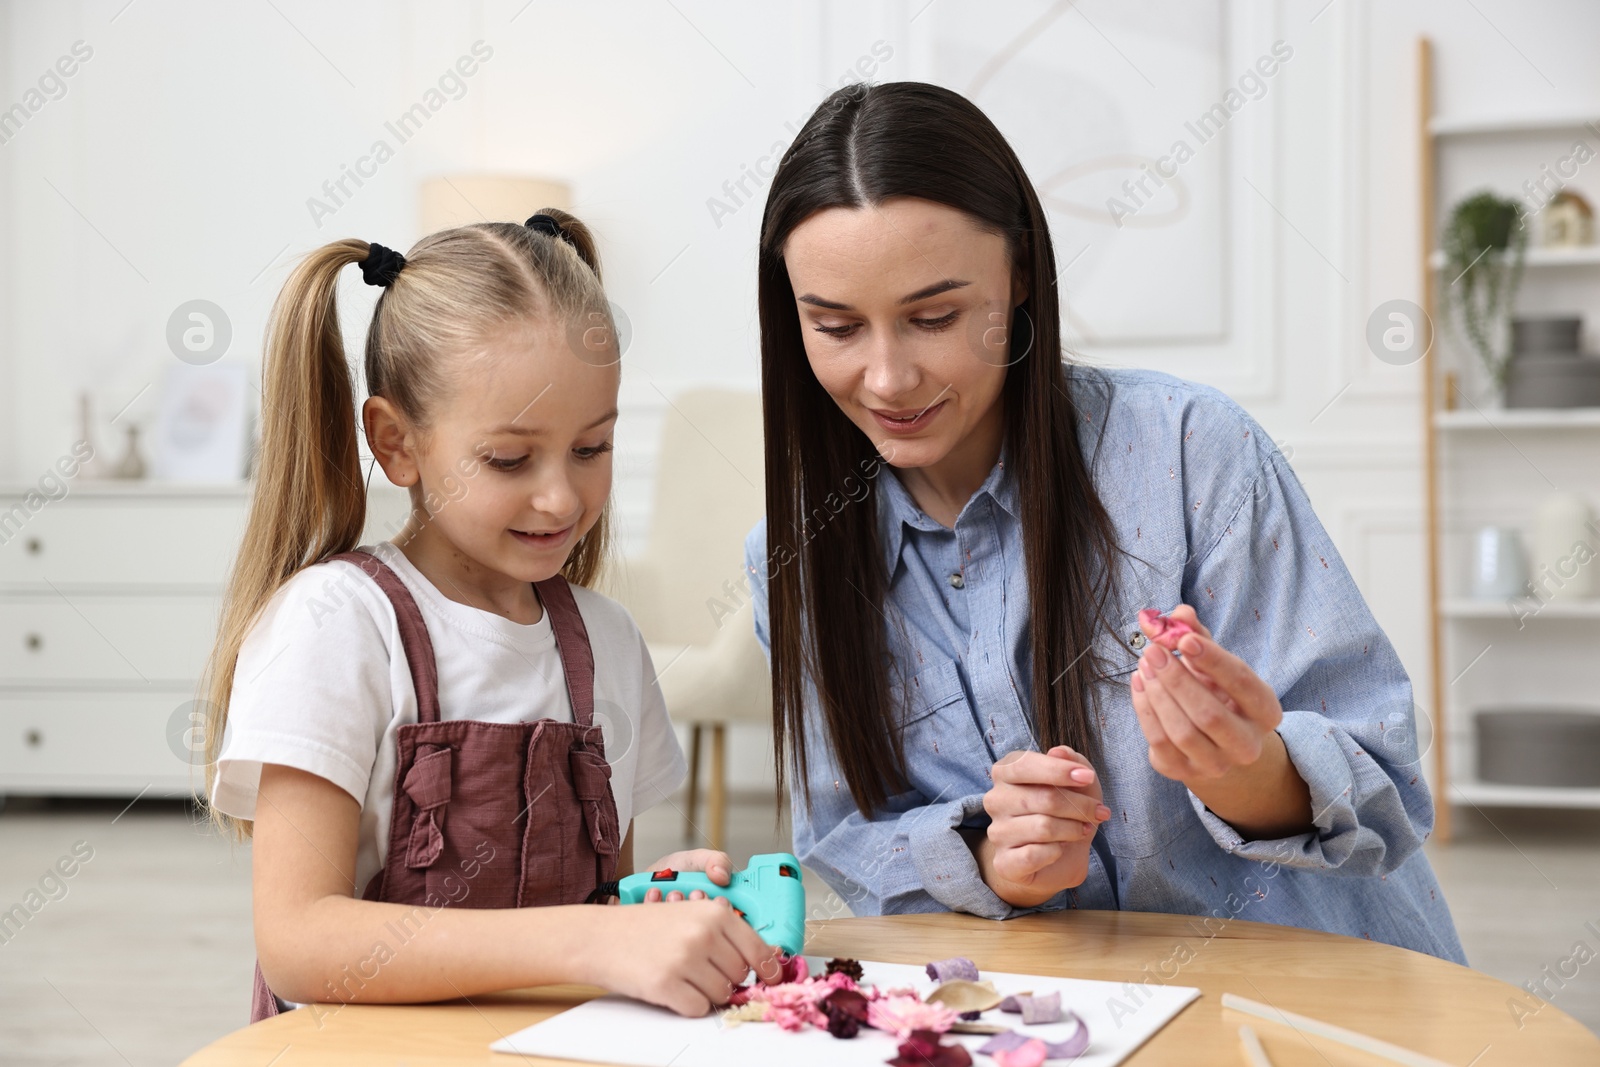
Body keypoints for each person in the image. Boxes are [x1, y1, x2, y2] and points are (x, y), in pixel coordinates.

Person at [744, 81, 1465, 962]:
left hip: (1318, 983)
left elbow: (1385, 783)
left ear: (1017, 279)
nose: (888, 378)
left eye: (934, 317)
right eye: (837, 326)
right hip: (1059, 1013)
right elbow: (846, 831)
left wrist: (1248, 771)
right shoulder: (796, 558)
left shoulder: (1193, 451)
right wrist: (987, 857)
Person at [203, 211, 780, 1022]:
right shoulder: (337, 626)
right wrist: (587, 939)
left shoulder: (607, 643)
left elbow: (601, 903)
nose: (562, 497)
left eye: (592, 449)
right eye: (510, 458)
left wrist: (645, 911)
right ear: (396, 443)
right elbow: (299, 942)